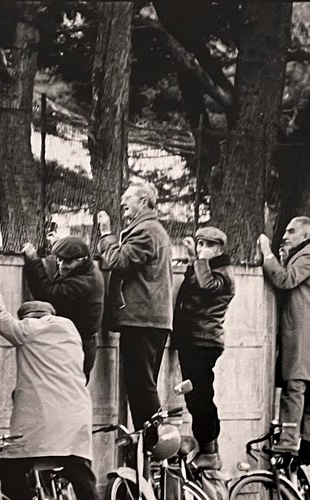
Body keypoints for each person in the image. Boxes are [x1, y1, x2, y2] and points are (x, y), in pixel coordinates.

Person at [0, 253, 114, 500]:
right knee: (83, 480)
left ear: (30, 316)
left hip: (42, 422)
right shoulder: (71, 333)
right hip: (75, 420)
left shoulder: (28, 330)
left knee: (10, 469)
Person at [95, 181, 174, 438]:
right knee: (143, 383)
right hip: (150, 318)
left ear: (143, 202)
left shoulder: (146, 231)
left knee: (140, 384)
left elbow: (117, 261)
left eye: (127, 198)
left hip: (143, 319)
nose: (122, 203)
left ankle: (156, 443)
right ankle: (151, 444)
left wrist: (106, 233)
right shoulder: (151, 229)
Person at [257, 217, 310, 459]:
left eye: (291, 231)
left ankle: (289, 441)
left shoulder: (307, 256)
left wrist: (267, 254)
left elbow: (285, 280)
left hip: (303, 335)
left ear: (305, 236)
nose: (286, 236)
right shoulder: (309, 255)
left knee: (295, 387)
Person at [172, 226, 235, 470]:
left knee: (200, 397)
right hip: (193, 340)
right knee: (196, 396)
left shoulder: (223, 272)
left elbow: (208, 286)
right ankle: (209, 449)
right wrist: (193, 260)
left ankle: (209, 450)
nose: (202, 249)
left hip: (204, 342)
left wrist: (197, 261)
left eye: (208, 245)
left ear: (219, 249)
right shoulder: (208, 267)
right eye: (200, 244)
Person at [23, 236, 104, 382]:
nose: (61, 265)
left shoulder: (82, 283)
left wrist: (34, 260)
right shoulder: (86, 272)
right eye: (60, 259)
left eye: (68, 261)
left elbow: (46, 293)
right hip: (77, 344)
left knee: (68, 393)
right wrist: (58, 245)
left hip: (77, 348)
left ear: (82, 260)